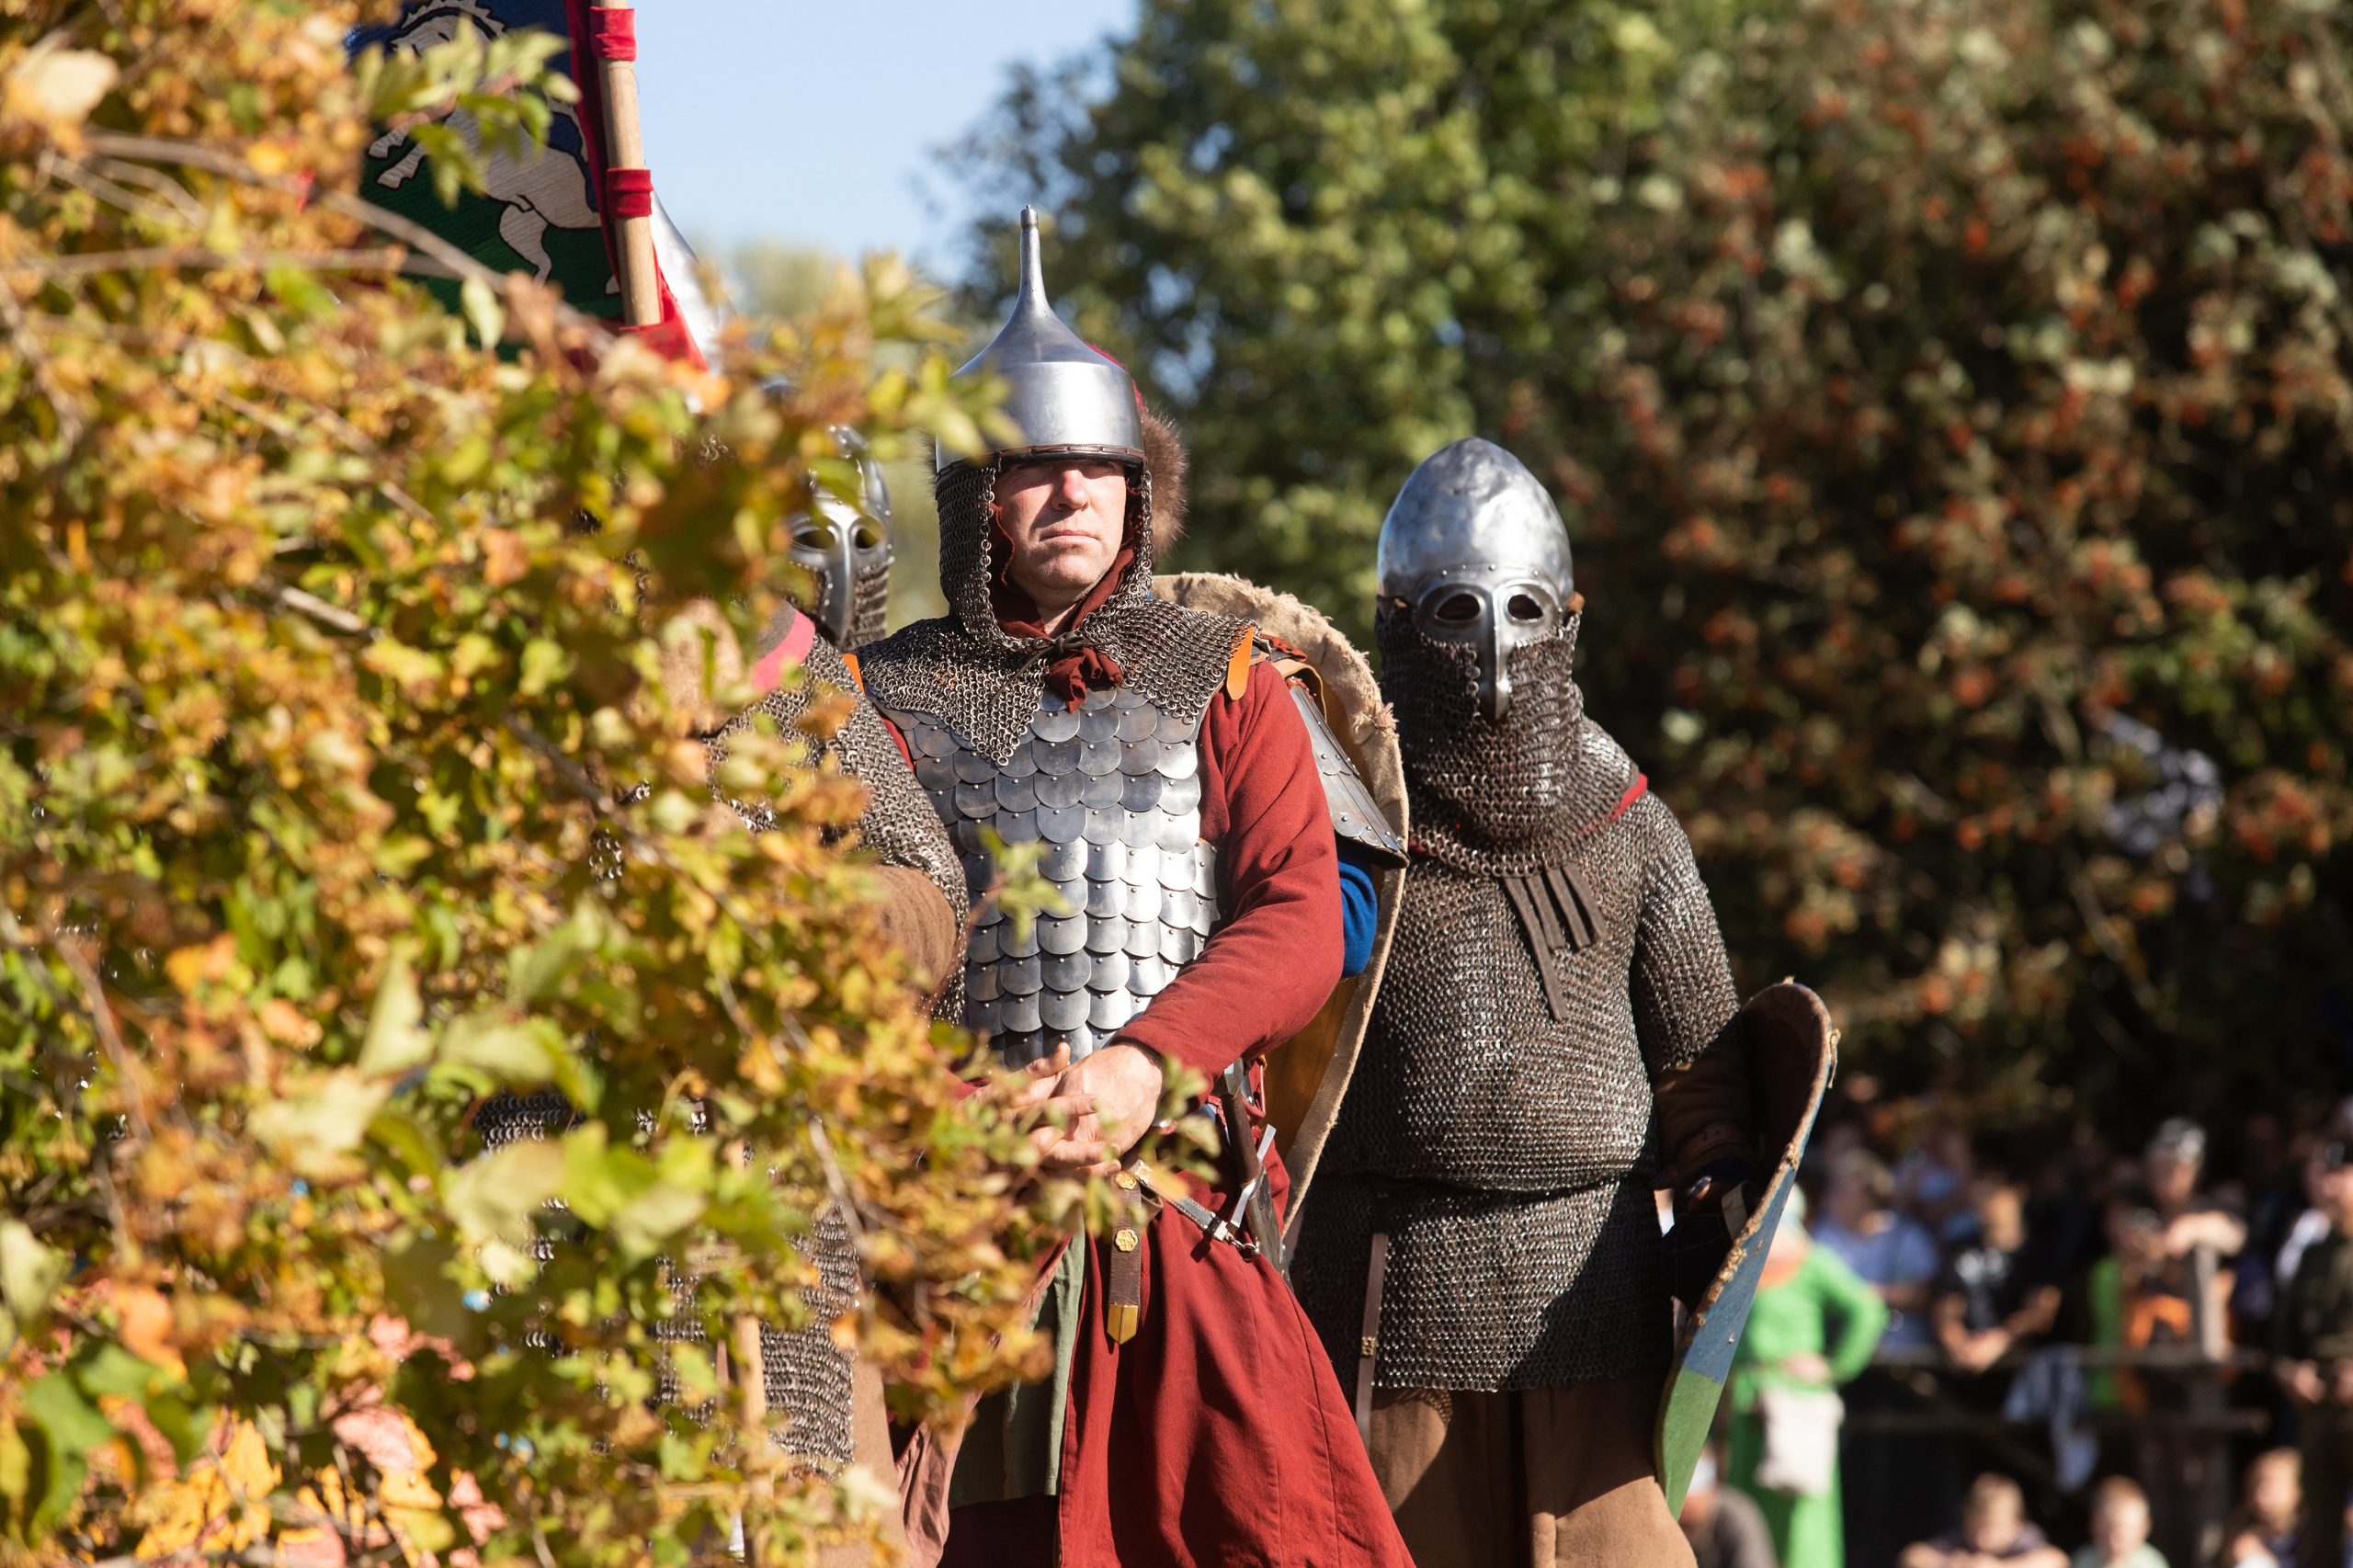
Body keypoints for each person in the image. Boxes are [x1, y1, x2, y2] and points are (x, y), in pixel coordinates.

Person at [856, 208, 1411, 1568]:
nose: (1071, 497)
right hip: (950, 1211)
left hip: (1176, 1200)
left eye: (1100, 470)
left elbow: (1297, 917)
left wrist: (1146, 1065)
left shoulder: (1225, 678)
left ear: (1140, 489)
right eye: (1035, 468)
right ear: (975, 493)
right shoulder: (876, 699)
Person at [1288, 436, 1766, 1567]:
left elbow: (1700, 1057)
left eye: (1522, 610)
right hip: (1385, 1281)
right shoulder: (1341, 819)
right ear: (1397, 622)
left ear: (1568, 618)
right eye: (1457, 611)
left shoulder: (1630, 825)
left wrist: (1716, 1196)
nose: (1494, 647)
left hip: (1591, 1281)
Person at [1727, 1189, 1888, 1568]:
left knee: (1802, 1515)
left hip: (1796, 1407)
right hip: (1748, 1405)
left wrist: (1834, 1366)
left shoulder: (1812, 1262)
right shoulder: (1743, 1264)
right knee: (1747, 1510)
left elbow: (1868, 1309)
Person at [2274, 1132, 2353, 1568]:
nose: (2329, 1187)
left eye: (2340, 1175)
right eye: (2325, 1175)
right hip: (2318, 1410)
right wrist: (2290, 1372)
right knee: (2319, 1533)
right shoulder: (2311, 1256)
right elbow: (2283, 1338)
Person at [1814, 1147, 1941, 1349]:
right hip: (1839, 1348)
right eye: (1833, 1188)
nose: (1832, 1197)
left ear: (1870, 1195)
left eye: (1843, 1190)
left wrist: (1873, 1295)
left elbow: (1926, 1294)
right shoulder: (1821, 1237)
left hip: (1903, 1352)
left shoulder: (1906, 1235)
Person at [1933, 1176, 2063, 1373]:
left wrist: (2001, 1339)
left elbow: (2042, 1311)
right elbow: (1947, 1307)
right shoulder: (1960, 1250)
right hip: (1966, 1369)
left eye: (1990, 1192)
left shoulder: (2040, 1251)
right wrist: (1957, 1340)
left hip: (2026, 1371)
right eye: (1976, 1194)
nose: (1981, 1201)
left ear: (2017, 1194)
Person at [1898, 1473, 2065, 1568]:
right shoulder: (1960, 1539)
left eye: (1991, 1527)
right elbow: (1911, 1555)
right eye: (1976, 1527)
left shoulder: (2024, 1539)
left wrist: (1998, 1567)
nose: (1982, 1537)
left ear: (2016, 1523)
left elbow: (2057, 1560)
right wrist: (1950, 1563)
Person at [1683, 1441, 1780, 1568]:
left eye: (1689, 1496)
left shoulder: (1736, 1517)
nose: (1683, 1505)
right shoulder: (1672, 1522)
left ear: (1710, 1489)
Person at [2221, 1449, 2300, 1568]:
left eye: (2272, 1486)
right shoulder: (2244, 1529)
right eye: (2257, 1485)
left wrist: (2266, 1559)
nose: (2261, 1495)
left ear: (2298, 1489)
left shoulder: (2309, 1537)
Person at [2070, 1476, 2166, 1568]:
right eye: (2106, 1534)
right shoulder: (2083, 1561)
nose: (2113, 1542)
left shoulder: (2151, 1564)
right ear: (2094, 1526)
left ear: (2143, 1529)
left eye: (2123, 1536)